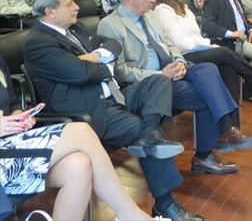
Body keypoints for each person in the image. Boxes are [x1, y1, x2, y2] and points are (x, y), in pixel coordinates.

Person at [23, 0, 202, 221]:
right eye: (70, 4)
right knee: (141, 128)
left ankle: (150, 133)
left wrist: (96, 56)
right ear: (50, 12)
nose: (77, 7)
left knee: (159, 81)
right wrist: (104, 65)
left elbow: (113, 44)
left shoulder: (75, 29)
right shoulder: (39, 42)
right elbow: (82, 73)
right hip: (89, 110)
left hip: (115, 95)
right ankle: (165, 203)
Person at [98, 0, 252, 177]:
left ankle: (225, 131)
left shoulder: (151, 17)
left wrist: (180, 62)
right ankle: (209, 149)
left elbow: (169, 45)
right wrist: (161, 73)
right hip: (148, 85)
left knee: (208, 69)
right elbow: (120, 72)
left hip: (171, 71)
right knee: (205, 93)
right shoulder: (110, 25)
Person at [0, 57, 159, 221]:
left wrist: (18, 117)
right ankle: (129, 214)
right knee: (81, 131)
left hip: (9, 144)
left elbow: (12, 102)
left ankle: (129, 214)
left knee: (79, 166)